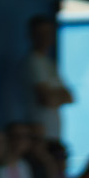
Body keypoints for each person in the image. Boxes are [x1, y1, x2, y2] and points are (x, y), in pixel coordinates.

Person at [22, 11, 72, 140]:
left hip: (54, 132)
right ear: (31, 35)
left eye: (47, 33)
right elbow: (47, 99)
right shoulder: (32, 62)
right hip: (38, 133)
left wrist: (54, 95)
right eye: (39, 34)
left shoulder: (50, 63)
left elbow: (69, 97)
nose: (44, 38)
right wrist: (55, 95)